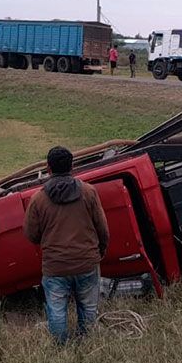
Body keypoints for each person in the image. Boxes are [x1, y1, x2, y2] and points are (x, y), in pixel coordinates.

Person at [24, 146, 109, 345]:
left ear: (48, 168)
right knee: (88, 307)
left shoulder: (38, 199)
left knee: (57, 311)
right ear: (72, 165)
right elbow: (102, 227)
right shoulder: (88, 192)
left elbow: (31, 234)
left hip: (55, 266)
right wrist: (100, 250)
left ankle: (61, 347)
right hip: (87, 262)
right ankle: (87, 343)